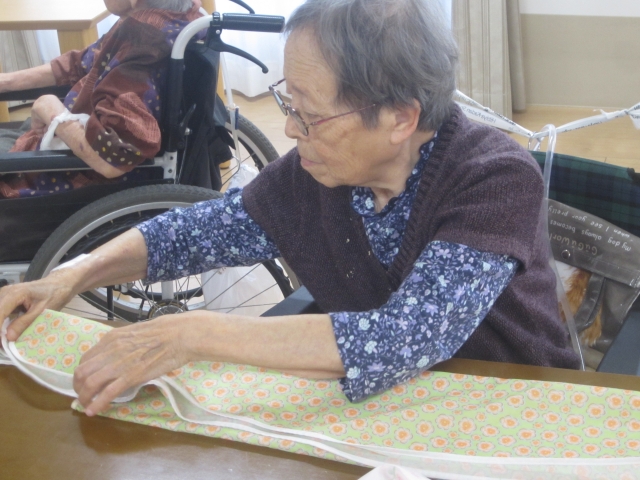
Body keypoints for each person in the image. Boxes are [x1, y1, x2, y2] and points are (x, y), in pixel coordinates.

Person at [0, 0, 580, 416]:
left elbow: (403, 336)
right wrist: (71, 275)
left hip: (514, 403)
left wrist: (190, 332)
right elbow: (199, 231)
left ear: (400, 118)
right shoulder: (319, 171)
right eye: (289, 102)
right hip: (392, 405)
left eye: (310, 113)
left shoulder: (493, 177)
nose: (291, 130)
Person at [0, 0, 202, 198]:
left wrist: (49, 108)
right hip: (59, 142)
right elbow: (83, 62)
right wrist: (6, 81)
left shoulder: (143, 42)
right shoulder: (175, 18)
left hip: (66, 180)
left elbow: (112, 160)